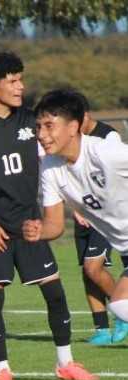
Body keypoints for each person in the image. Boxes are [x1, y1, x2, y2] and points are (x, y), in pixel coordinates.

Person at [0, 52, 97, 380]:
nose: (20, 86)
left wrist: (74, 203)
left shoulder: (32, 121)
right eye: (12, 81)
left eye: (21, 79)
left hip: (31, 225)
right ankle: (2, 368)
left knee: (55, 293)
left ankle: (65, 363)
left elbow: (53, 163)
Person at [25, 88, 128, 346]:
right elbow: (55, 225)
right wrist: (40, 230)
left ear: (74, 127)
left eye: (49, 126)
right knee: (120, 304)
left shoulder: (105, 152)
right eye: (38, 127)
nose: (41, 135)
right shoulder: (50, 167)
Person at [67, 91, 123, 345]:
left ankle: (122, 313)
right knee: (86, 271)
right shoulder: (67, 143)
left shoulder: (108, 137)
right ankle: (101, 328)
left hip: (104, 216)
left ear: (84, 116)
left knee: (93, 267)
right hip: (83, 215)